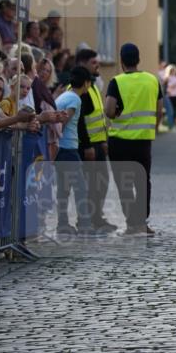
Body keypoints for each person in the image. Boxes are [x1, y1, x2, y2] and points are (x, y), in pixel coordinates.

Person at [105, 42, 163, 237]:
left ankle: (131, 225)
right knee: (143, 182)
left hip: (119, 142)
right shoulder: (152, 80)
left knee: (124, 185)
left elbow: (109, 110)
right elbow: (159, 110)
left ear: (121, 61)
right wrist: (151, 129)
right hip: (143, 142)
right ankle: (142, 223)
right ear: (138, 60)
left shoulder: (116, 81)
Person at [73, 48, 116, 233]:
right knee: (89, 185)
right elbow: (80, 120)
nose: (98, 65)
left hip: (98, 143)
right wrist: (88, 145)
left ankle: (96, 217)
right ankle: (85, 220)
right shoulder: (78, 87)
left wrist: (104, 140)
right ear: (82, 63)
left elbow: (98, 116)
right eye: (93, 62)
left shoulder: (92, 85)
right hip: (87, 146)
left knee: (101, 183)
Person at [54, 66, 94, 237]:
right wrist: (59, 136)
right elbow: (63, 120)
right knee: (80, 188)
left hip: (60, 149)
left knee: (63, 189)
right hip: (68, 149)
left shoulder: (64, 95)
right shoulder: (75, 99)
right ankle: (85, 225)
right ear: (86, 83)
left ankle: (62, 224)